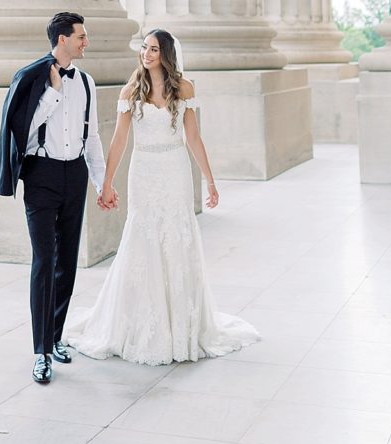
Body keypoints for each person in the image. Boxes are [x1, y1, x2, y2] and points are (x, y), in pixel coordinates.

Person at [64, 29, 259, 365]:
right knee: (143, 236)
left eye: (154, 49)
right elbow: (119, 142)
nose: (147, 54)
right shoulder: (131, 91)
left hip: (174, 169)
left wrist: (210, 181)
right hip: (144, 171)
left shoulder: (184, 88)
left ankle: (182, 325)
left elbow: (194, 138)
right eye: (144, 48)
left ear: (166, 54)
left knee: (176, 236)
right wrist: (106, 183)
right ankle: (142, 325)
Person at [0, 11, 107, 386]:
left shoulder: (88, 82)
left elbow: (91, 138)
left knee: (68, 262)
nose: (85, 42)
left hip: (74, 174)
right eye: (81, 37)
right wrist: (53, 94)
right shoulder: (34, 78)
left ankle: (56, 335)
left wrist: (102, 183)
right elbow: (22, 133)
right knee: (44, 261)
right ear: (62, 39)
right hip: (41, 175)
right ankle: (40, 351)